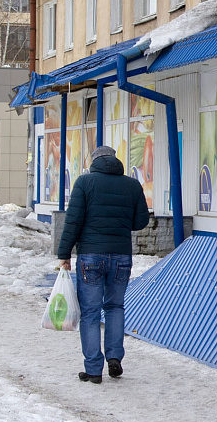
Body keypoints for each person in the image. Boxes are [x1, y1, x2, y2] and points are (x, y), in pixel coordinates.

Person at [57, 145, 150, 384]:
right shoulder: (132, 185)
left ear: (94, 161)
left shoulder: (84, 183)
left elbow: (73, 221)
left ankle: (93, 369)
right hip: (121, 256)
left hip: (90, 256)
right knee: (115, 307)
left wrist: (64, 253)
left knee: (89, 312)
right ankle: (115, 358)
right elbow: (140, 221)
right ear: (115, 160)